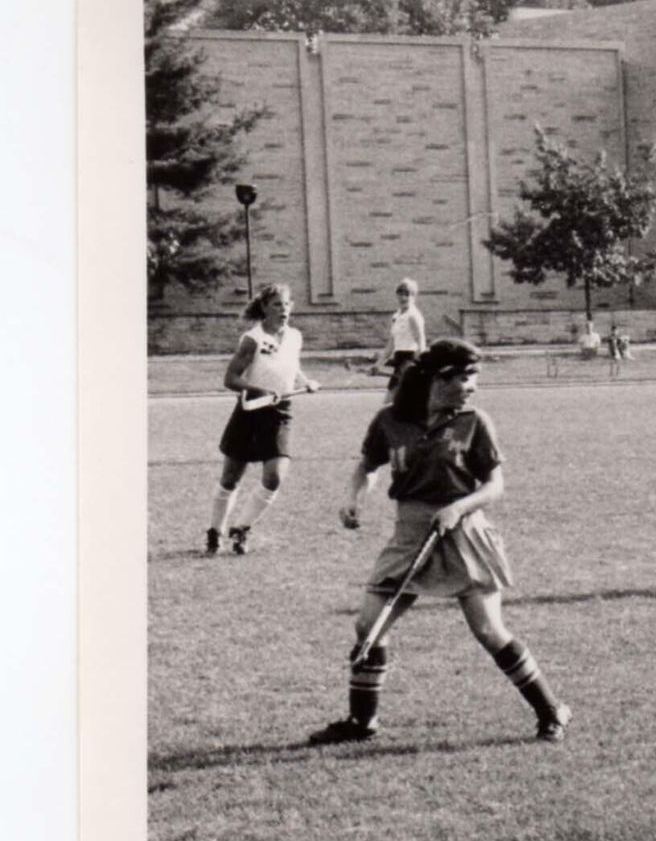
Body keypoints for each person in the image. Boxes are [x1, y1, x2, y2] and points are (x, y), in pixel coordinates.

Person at [308, 341, 569, 745]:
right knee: (368, 625)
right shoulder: (390, 420)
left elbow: (494, 485)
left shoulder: (474, 422)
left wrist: (457, 508)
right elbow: (367, 466)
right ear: (437, 379)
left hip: (463, 534)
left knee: (488, 630)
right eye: (464, 378)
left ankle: (551, 710)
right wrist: (353, 498)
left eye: (473, 377)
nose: (472, 387)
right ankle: (362, 721)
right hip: (410, 535)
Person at [207, 282, 320, 556]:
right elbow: (230, 379)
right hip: (251, 411)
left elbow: (291, 366)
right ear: (265, 308)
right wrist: (258, 390)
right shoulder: (252, 339)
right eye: (277, 304)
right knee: (231, 478)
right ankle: (215, 531)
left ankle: (242, 528)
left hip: (280, 411)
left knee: (274, 477)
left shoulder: (295, 337)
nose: (284, 309)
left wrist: (306, 381)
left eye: (287, 304)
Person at [379, 278, 428, 397]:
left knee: (391, 397)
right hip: (399, 359)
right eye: (400, 294)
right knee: (397, 399)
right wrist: (378, 364)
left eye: (407, 294)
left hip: (410, 359)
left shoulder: (413, 316)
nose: (403, 298)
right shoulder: (396, 316)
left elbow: (421, 342)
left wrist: (418, 365)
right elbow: (391, 344)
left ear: (413, 296)